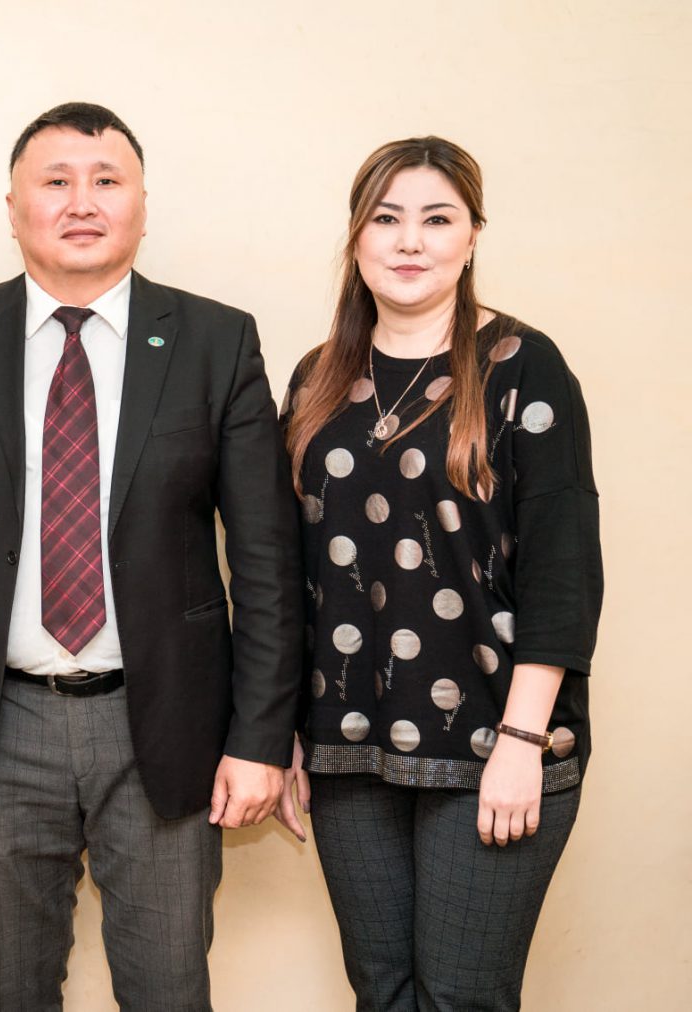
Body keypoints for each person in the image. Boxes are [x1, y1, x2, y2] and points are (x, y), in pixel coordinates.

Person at [0, 102, 301, 1010]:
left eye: (107, 181)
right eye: (56, 181)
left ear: (142, 206)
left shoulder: (216, 340)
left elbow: (267, 561)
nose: (82, 202)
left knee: (170, 991)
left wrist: (260, 740)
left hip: (167, 726)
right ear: (14, 207)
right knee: (11, 990)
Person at [275, 136, 602, 1011]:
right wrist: (285, 729)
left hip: (495, 737)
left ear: (472, 235)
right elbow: (292, 573)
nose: (410, 241)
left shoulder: (524, 366)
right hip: (347, 739)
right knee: (381, 992)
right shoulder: (315, 382)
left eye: (437, 219)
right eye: (387, 219)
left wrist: (524, 742)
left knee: (461, 996)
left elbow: (564, 572)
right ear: (356, 237)